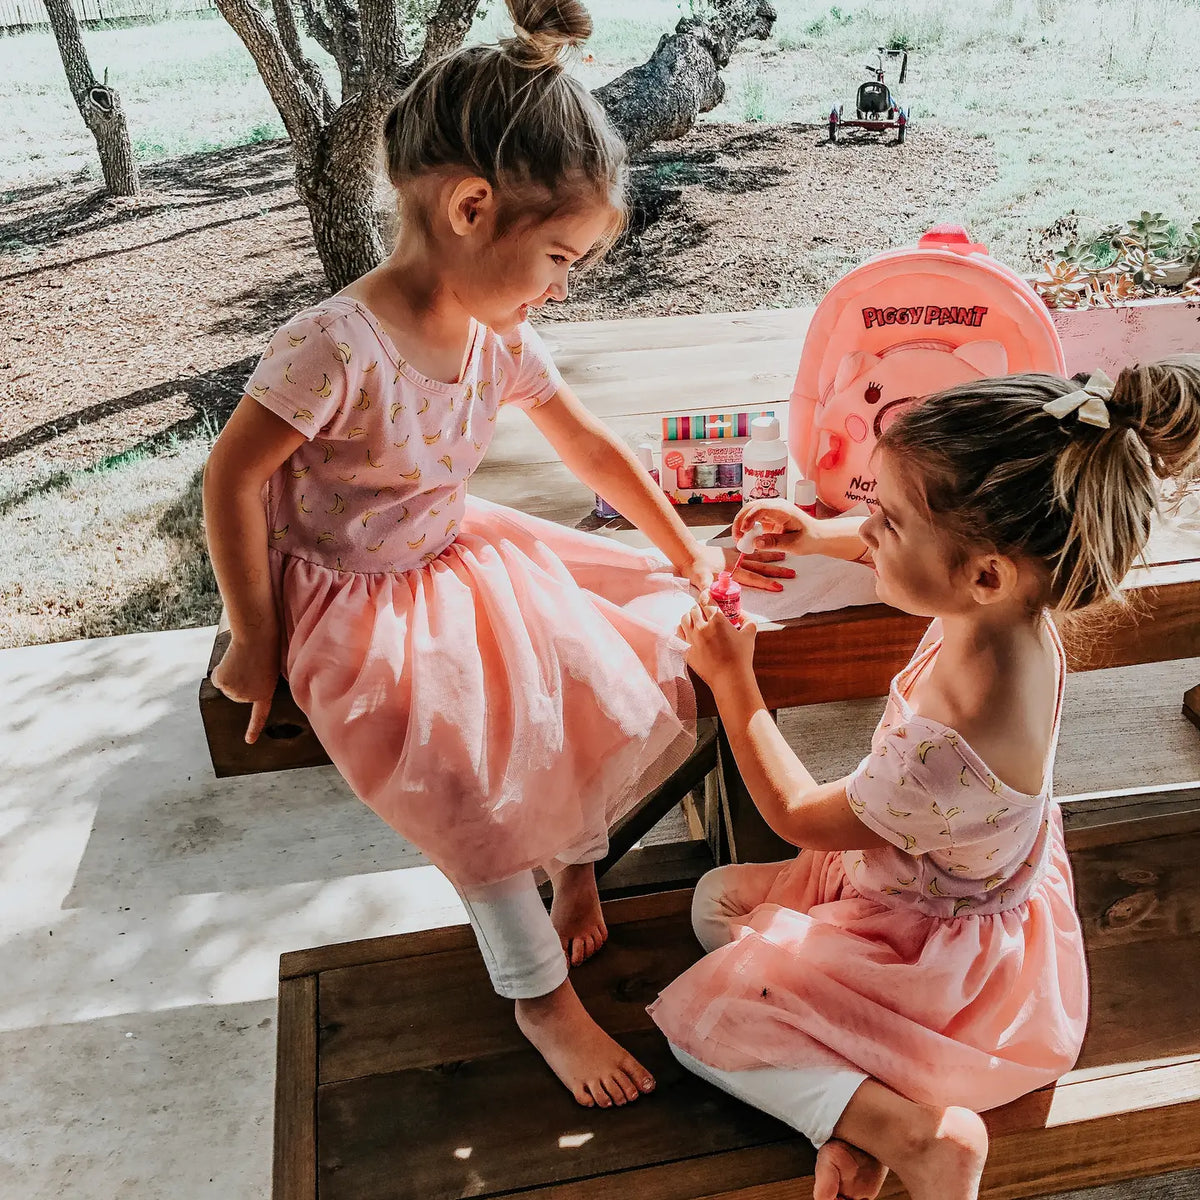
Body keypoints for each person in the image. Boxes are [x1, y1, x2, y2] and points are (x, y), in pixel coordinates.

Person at [202, 0, 790, 1111]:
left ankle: (576, 863)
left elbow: (590, 447)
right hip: (357, 599)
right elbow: (232, 479)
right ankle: (535, 997)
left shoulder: (498, 333)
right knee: (466, 777)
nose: (561, 285)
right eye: (557, 256)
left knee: (618, 665)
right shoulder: (337, 346)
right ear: (472, 207)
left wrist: (684, 551)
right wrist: (254, 638)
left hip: (461, 556)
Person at [651, 361, 1200, 1199]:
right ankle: (854, 1099)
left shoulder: (954, 741)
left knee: (698, 1025)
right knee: (718, 901)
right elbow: (925, 547)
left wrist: (733, 680)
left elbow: (796, 813)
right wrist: (812, 531)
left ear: (983, 573)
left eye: (886, 520)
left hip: (937, 963)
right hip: (946, 894)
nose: (865, 527)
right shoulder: (1012, 614)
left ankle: (912, 1131)